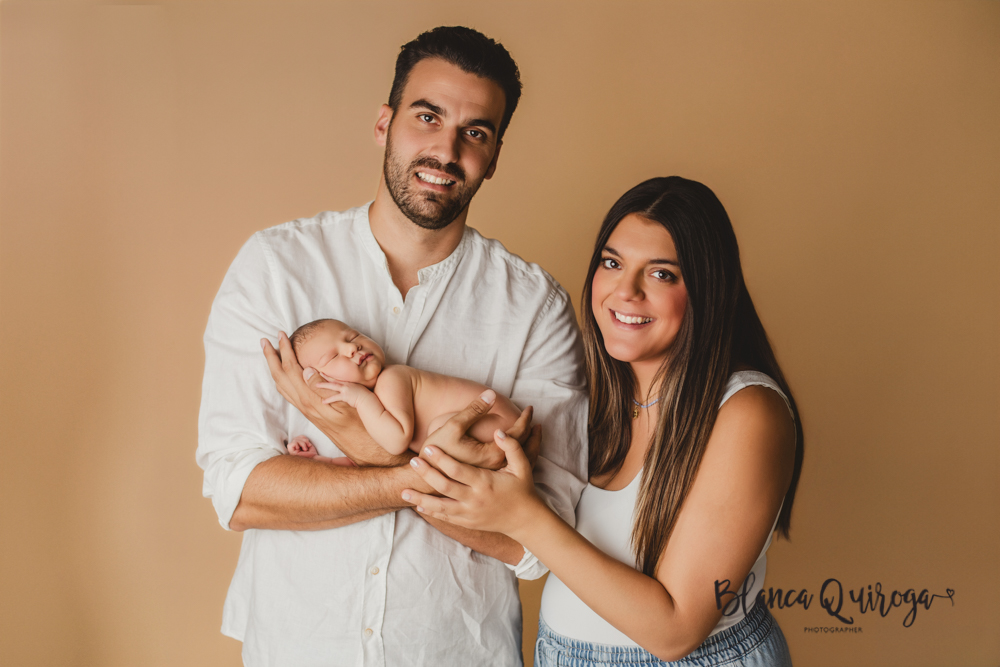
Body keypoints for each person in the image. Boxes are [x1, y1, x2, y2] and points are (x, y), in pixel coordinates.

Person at [196, 26, 588, 667]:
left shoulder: (535, 308)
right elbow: (239, 490)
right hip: (298, 648)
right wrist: (423, 476)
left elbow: (539, 541)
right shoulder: (275, 268)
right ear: (384, 124)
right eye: (427, 117)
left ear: (493, 156)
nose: (446, 150)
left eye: (475, 132)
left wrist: (358, 445)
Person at [404, 176, 804, 666]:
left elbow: (675, 631)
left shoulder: (745, 412)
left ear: (708, 290)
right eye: (612, 263)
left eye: (662, 274)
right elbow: (530, 546)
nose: (625, 291)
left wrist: (524, 515)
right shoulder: (603, 397)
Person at [285, 317, 520, 459]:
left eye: (352, 337)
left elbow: (396, 442)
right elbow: (371, 461)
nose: (352, 348)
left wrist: (360, 400)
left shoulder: (391, 378)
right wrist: (320, 460)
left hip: (498, 419)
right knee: (440, 441)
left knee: (441, 434)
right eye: (333, 356)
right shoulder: (373, 409)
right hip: (492, 428)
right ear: (319, 380)